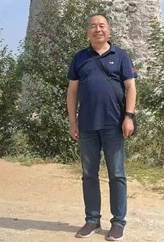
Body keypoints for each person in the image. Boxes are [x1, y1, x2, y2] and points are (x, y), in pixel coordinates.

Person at [67, 14, 137, 241]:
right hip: (87, 126)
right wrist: (73, 121)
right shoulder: (80, 58)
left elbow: (131, 87)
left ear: (109, 30)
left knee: (117, 174)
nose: (98, 29)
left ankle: (118, 222)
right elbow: (72, 91)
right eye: (93, 26)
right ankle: (92, 220)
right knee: (89, 175)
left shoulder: (121, 55)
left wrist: (129, 117)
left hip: (114, 125)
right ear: (87, 31)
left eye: (102, 25)